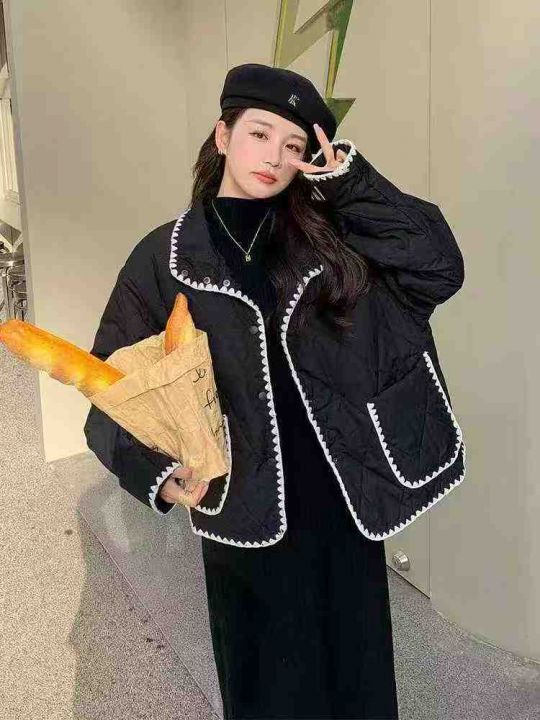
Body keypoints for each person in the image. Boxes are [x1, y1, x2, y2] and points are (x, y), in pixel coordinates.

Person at [85, 63, 466, 719]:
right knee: (266, 684)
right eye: (260, 134)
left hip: (344, 490)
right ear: (223, 135)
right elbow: (107, 379)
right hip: (243, 504)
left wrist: (347, 181)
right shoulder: (165, 256)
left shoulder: (330, 233)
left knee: (356, 676)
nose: (274, 157)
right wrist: (159, 474)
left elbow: (438, 266)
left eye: (293, 146)